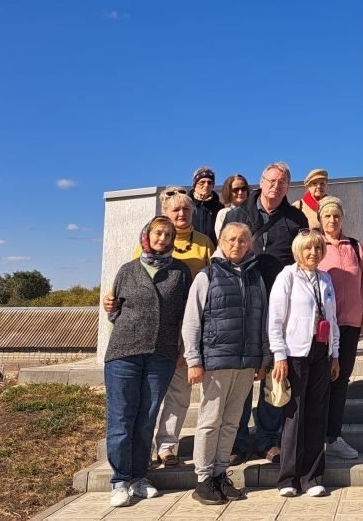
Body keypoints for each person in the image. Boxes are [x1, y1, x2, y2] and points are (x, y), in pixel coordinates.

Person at [103, 187, 215, 467]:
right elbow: (128, 288)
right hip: (138, 340)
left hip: (181, 331)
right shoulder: (141, 255)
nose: (181, 214)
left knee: (178, 393)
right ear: (164, 215)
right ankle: (132, 465)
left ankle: (167, 446)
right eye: (175, 210)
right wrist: (110, 306)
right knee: (139, 404)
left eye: (186, 210)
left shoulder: (203, 243)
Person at [224, 162, 309, 465]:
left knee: (276, 372)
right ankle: (236, 440)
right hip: (243, 302)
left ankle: (268, 439)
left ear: (289, 187)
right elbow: (223, 254)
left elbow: (302, 262)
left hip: (279, 307)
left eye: (283, 182)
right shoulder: (237, 214)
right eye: (272, 180)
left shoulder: (296, 218)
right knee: (245, 373)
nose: (276, 186)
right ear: (261, 182)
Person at [103, 217, 191, 507]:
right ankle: (119, 480)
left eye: (168, 234)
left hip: (162, 354)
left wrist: (182, 349)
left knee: (146, 418)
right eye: (158, 232)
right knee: (121, 419)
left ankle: (139, 477)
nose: (163, 238)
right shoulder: (128, 270)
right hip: (124, 352)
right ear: (147, 235)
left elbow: (186, 316)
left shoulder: (180, 272)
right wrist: (112, 310)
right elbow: (114, 309)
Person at [182, 222, 271, 505]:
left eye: (243, 240)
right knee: (210, 420)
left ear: (250, 245)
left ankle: (220, 473)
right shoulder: (207, 276)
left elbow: (264, 320)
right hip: (216, 362)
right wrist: (194, 360)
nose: (237, 244)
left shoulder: (256, 277)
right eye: (231, 239)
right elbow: (192, 321)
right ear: (221, 241)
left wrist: (263, 358)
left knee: (232, 421)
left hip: (246, 363)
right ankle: (203, 479)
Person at [268, 230, 341, 498]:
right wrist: (279, 355)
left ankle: (312, 478)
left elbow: (332, 320)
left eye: (318, 249)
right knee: (294, 416)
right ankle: (288, 478)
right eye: (308, 249)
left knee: (316, 415)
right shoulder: (287, 276)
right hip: (295, 353)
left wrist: (335, 354)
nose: (313, 253)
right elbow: (275, 319)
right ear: (299, 250)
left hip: (320, 353)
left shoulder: (326, 278)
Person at [316, 196, 363, 459]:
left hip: (349, 324)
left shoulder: (354, 246)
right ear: (320, 219)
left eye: (336, 216)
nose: (332, 220)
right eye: (327, 216)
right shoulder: (314, 245)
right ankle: (314, 436)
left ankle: (333, 436)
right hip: (321, 326)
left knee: (340, 380)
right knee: (319, 380)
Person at [190, 167, 224, 243]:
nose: (206, 185)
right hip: (190, 249)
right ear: (195, 184)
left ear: (213, 185)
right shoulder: (186, 205)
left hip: (212, 250)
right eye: (202, 182)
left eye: (210, 182)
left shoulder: (220, 207)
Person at [215, 174, 250, 241]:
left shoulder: (255, 210)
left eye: (243, 189)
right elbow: (221, 239)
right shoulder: (223, 213)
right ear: (228, 191)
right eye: (235, 190)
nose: (240, 192)